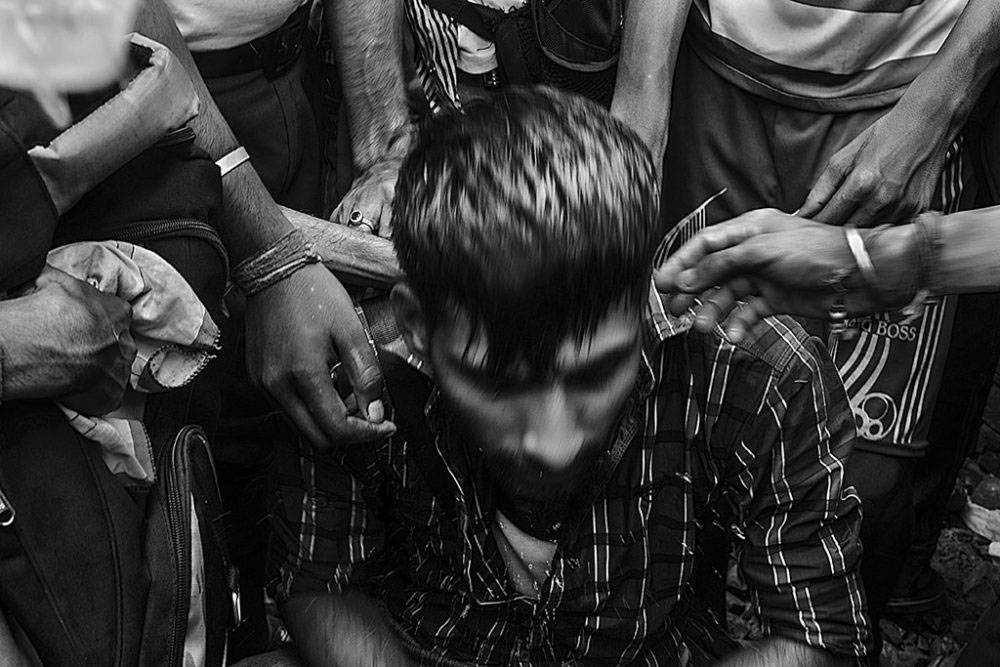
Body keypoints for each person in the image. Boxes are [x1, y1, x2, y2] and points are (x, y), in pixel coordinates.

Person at [271, 88, 871, 666]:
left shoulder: (756, 373)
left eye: (597, 374)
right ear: (418, 326)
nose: (554, 442)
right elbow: (319, 584)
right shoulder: (361, 369)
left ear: (639, 305)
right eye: (502, 384)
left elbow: (813, 632)